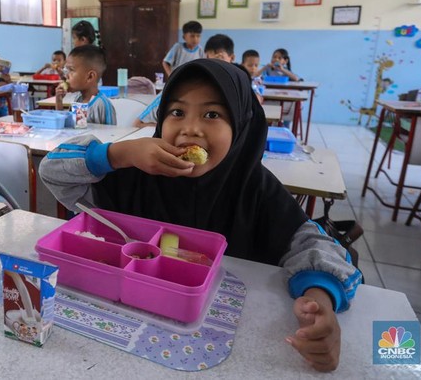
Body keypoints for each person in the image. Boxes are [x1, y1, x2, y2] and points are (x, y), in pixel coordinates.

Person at [39, 59, 361, 372]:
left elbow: (314, 246)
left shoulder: (254, 188)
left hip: (226, 343)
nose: (191, 128)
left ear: (240, 126)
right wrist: (118, 153)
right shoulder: (133, 171)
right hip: (123, 336)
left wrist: (319, 299)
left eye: (212, 114)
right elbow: (53, 172)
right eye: (177, 112)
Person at [53, 45, 116, 125]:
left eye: (71, 70)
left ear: (90, 77)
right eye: (67, 70)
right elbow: (70, 127)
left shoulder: (102, 105)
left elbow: (112, 135)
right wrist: (59, 101)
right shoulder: (79, 99)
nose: (66, 75)